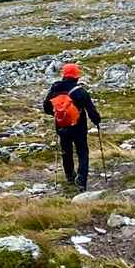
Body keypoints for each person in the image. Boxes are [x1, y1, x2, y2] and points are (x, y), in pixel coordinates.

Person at [42, 62, 102, 191]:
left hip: (62, 126)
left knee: (66, 151)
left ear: (64, 75)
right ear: (77, 77)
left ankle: (69, 176)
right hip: (79, 128)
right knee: (82, 152)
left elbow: (46, 108)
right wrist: (97, 121)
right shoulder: (80, 91)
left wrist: (58, 114)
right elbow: (91, 111)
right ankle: (82, 180)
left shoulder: (55, 89)